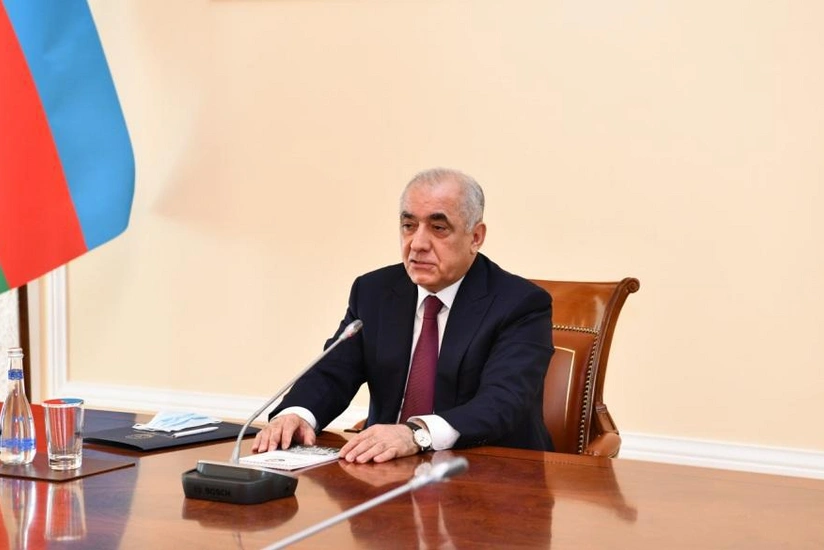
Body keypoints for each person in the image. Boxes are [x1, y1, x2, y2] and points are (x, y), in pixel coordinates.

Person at [252, 168, 554, 463]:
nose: (418, 244)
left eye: (438, 228)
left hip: (490, 472)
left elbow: (501, 402)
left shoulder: (521, 304)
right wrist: (297, 414)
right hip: (387, 468)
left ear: (475, 236)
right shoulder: (374, 292)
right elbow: (333, 373)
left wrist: (416, 434)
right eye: (409, 225)